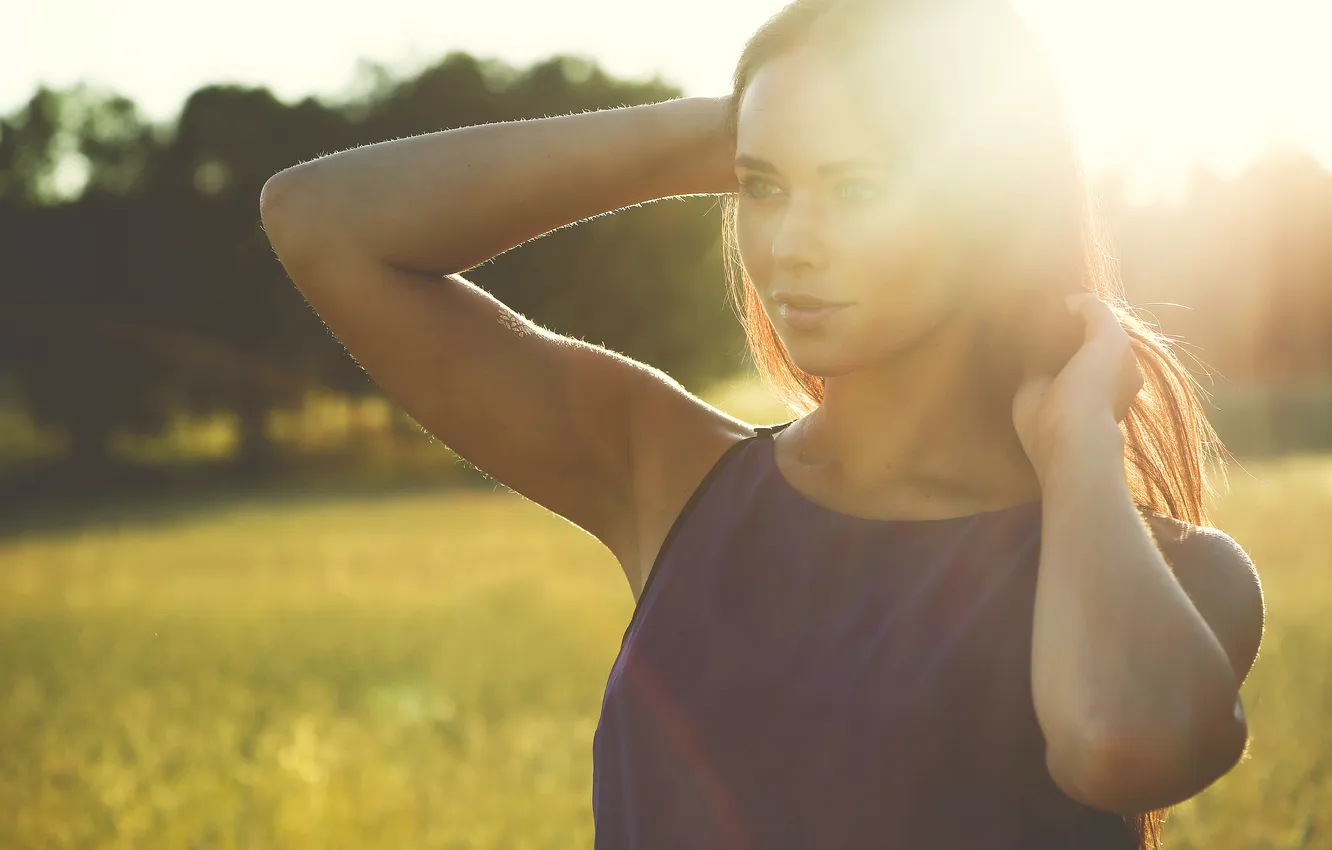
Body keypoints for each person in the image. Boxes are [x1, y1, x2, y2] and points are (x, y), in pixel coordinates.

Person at [258, 0, 1265, 846]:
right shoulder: (668, 471)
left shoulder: (1175, 575)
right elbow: (321, 220)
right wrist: (743, 128)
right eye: (767, 189)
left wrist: (1079, 441)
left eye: (858, 189)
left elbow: (1122, 744)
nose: (790, 244)